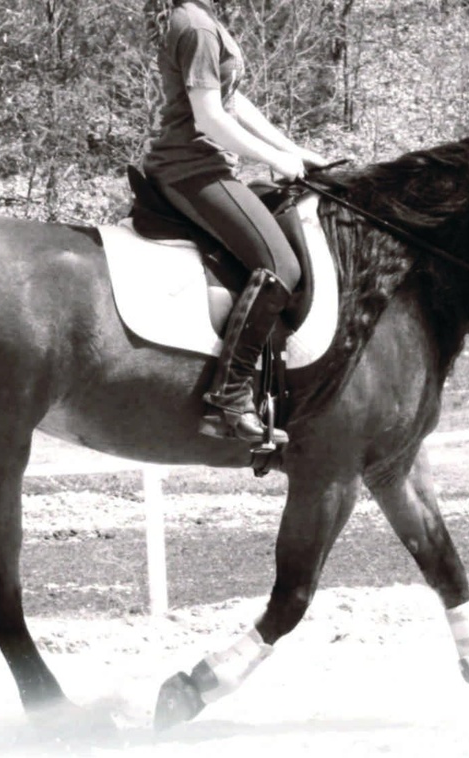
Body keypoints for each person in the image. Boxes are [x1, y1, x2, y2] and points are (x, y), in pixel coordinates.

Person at [142, 0, 327, 446]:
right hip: (192, 169)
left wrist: (292, 149)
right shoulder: (197, 25)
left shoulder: (204, 21)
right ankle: (228, 397)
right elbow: (208, 116)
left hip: (205, 166)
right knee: (282, 266)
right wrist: (273, 159)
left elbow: (231, 100)